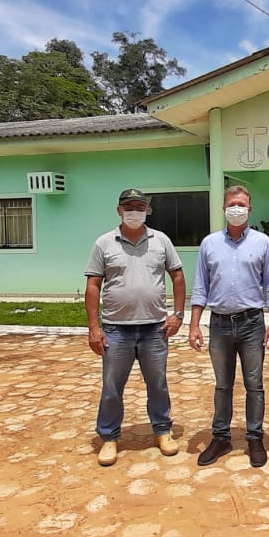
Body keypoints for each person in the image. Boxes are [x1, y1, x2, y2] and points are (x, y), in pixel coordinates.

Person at [84, 188, 187, 467]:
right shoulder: (104, 243)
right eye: (128, 207)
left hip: (155, 328)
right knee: (112, 386)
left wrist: (177, 314)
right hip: (116, 329)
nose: (134, 212)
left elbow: (177, 276)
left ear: (146, 211)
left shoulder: (161, 240)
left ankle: (162, 431)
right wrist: (94, 327)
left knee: (158, 384)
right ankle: (109, 437)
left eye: (139, 207)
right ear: (119, 210)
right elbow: (93, 286)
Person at [188, 185, 269, 468]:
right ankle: (221, 437)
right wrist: (194, 325)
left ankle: (254, 437)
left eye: (242, 204)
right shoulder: (209, 244)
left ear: (250, 209)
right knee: (222, 385)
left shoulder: (263, 243)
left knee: (255, 385)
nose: (236, 208)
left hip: (252, 323)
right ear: (224, 209)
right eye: (232, 204)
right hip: (218, 325)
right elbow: (200, 287)